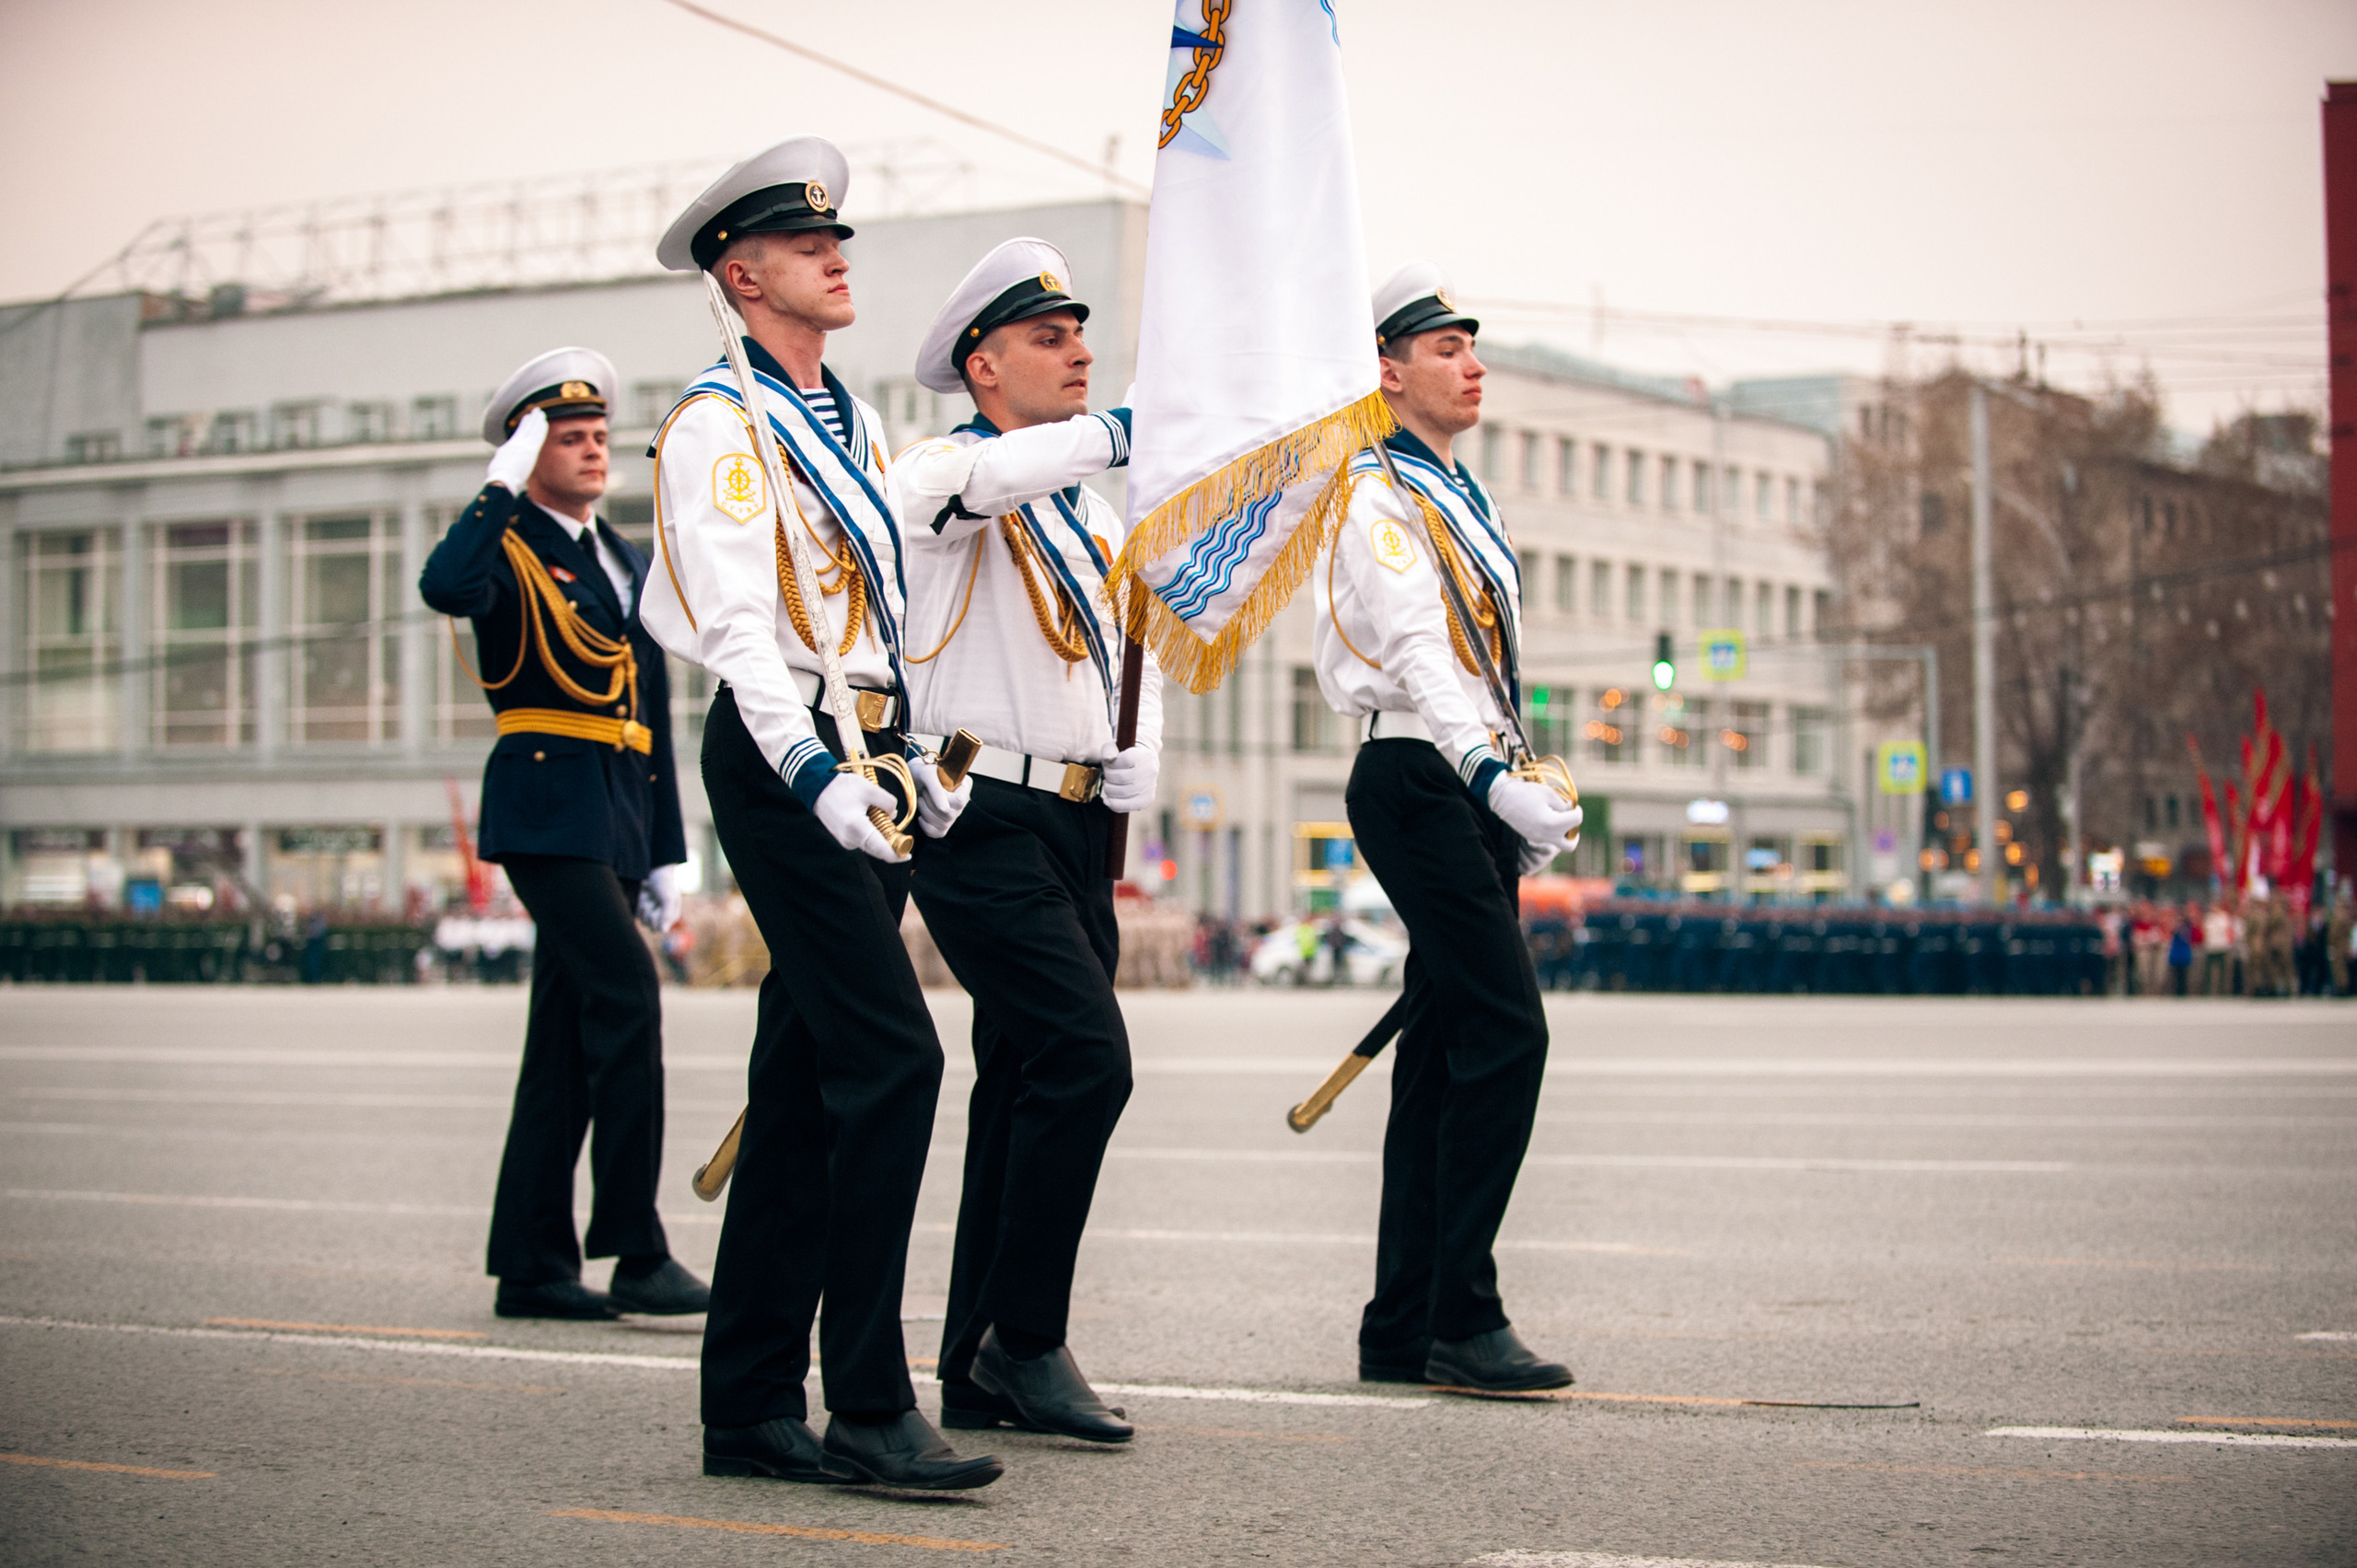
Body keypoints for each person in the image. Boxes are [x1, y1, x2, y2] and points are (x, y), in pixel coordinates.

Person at [641, 136, 996, 1491]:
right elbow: (740, 631)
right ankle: (863, 1399)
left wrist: (915, 754)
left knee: (802, 1079)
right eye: (806, 246)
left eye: (836, 240)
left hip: (864, 756)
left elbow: (877, 606)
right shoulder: (721, 425)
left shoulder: (841, 419)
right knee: (894, 1061)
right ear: (742, 272)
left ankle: (745, 1405)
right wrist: (813, 778)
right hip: (790, 757)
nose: (836, 256)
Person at [889, 238, 1162, 1446]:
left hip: (1071, 818)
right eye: (1052, 338)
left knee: (1021, 1081)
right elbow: (973, 489)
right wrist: (1116, 431)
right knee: (1085, 1058)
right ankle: (1029, 1335)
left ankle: (979, 1360)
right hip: (976, 811)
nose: (1083, 354)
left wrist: (1135, 744)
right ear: (982, 362)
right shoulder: (943, 472)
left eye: (1081, 335)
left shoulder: (1094, 518)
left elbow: (1122, 644)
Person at [1311, 261, 1582, 1392]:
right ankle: (1463, 1312)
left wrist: (1514, 784)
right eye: (1445, 349)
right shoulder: (1375, 491)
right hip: (1418, 778)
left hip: (1463, 785)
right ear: (1386, 369)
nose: (1472, 365)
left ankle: (1404, 1322)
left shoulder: (1457, 492)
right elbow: (1422, 653)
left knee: (1435, 1055)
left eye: (1474, 346)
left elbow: (1486, 661)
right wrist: (1486, 774)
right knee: (1506, 1032)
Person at [418, 349, 702, 1323]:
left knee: (565, 1043)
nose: (589, 452)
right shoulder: (505, 546)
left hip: (617, 808)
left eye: (594, 437)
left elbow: (653, 703)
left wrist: (666, 845)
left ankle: (532, 1262)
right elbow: (444, 586)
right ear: (528, 451)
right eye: (564, 439)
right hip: (546, 805)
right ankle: (635, 1245)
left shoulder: (614, 552)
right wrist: (498, 483)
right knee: (627, 997)